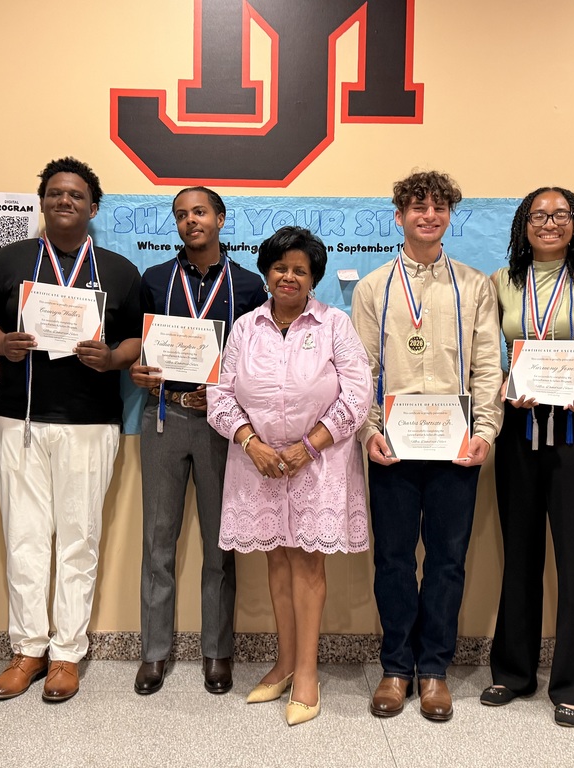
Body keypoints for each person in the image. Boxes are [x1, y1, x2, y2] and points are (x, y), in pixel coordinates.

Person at [0, 157, 143, 703]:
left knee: (79, 538)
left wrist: (112, 356)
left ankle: (67, 653)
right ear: (42, 201)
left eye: (75, 195)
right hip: (16, 419)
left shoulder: (119, 270)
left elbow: (138, 342)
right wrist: (3, 344)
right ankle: (27, 649)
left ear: (92, 207)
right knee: (25, 539)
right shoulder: (9, 261)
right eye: (54, 193)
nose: (64, 201)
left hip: (90, 424)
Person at [351, 170, 503, 721]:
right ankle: (396, 668)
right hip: (391, 448)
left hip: (455, 449)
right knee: (392, 560)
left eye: (439, 208)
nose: (428, 216)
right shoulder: (372, 288)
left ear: (449, 217)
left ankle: (434, 669)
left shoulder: (474, 286)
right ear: (399, 216)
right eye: (418, 207)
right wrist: (368, 431)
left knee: (446, 561)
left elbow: (488, 366)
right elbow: (361, 370)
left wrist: (485, 431)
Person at [207, 226, 372, 725]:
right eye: (281, 267)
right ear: (267, 272)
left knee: (307, 566)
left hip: (316, 465)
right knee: (275, 562)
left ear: (313, 277)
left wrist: (311, 445)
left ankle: (306, 672)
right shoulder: (244, 327)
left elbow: (358, 394)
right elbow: (220, 393)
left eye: (300, 270)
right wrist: (249, 441)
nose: (289, 277)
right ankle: (282, 661)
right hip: (257, 464)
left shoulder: (334, 326)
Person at [481, 188, 574, 727]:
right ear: (523, 225)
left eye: (560, 215)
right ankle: (513, 672)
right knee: (518, 551)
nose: (549, 223)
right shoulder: (503, 281)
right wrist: (502, 387)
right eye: (538, 215)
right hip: (519, 427)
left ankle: (573, 683)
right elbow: (489, 352)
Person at [129, 187, 264, 696]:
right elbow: (139, 348)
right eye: (182, 215)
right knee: (157, 541)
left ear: (221, 219)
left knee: (218, 545)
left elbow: (258, 361)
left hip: (222, 425)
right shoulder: (155, 280)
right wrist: (140, 372)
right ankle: (154, 654)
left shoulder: (249, 285)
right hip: (163, 417)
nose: (191, 221)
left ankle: (217, 651)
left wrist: (231, 395)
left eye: (200, 212)